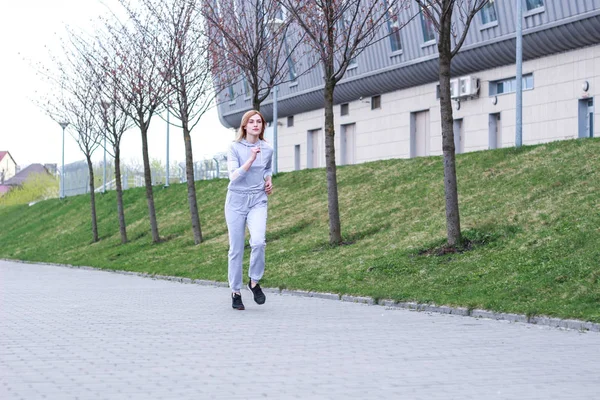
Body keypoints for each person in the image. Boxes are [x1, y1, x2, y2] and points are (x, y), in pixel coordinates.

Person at [225, 110, 273, 310]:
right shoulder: (234, 148)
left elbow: (268, 169)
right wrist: (251, 159)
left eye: (259, 122)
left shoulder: (268, 148)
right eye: (251, 122)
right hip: (236, 201)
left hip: (257, 200)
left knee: (259, 241)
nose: (255, 124)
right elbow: (234, 176)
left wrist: (269, 181)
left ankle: (254, 282)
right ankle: (235, 291)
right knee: (236, 249)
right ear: (244, 126)